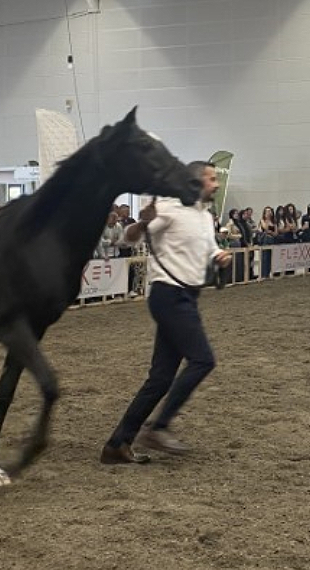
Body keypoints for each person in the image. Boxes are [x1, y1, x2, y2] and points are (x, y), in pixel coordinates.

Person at [101, 161, 231, 465]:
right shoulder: (168, 209)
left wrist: (220, 256)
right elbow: (128, 238)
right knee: (202, 360)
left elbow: (209, 248)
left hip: (186, 296)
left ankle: (116, 444)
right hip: (169, 294)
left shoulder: (203, 215)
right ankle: (158, 427)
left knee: (160, 379)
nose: (216, 184)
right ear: (194, 182)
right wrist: (143, 223)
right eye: (211, 179)